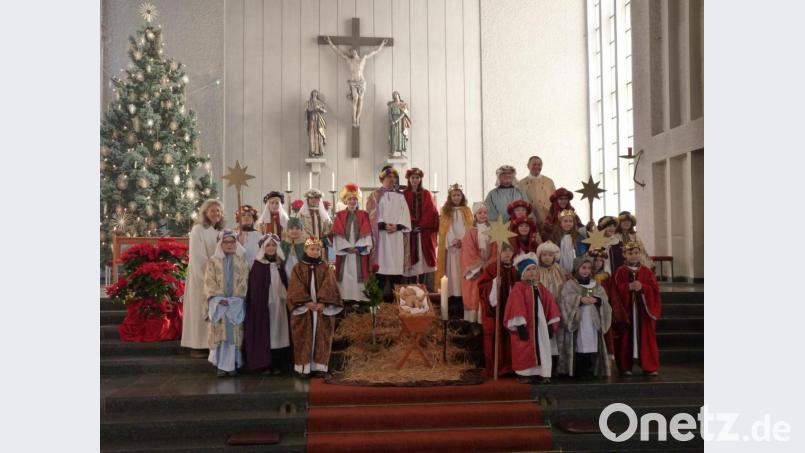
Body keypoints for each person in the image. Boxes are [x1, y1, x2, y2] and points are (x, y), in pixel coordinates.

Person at [287, 237, 344, 377]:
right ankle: (303, 368)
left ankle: (320, 367)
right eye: (312, 249)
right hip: (305, 309)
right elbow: (295, 287)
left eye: (318, 249)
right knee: (303, 337)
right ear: (306, 250)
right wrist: (306, 302)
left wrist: (323, 303)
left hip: (320, 309)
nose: (315, 252)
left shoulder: (325, 267)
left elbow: (330, 285)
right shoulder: (298, 267)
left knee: (322, 337)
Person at [504, 253, 562, 384]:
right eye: (528, 270)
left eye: (534, 269)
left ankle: (542, 372)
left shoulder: (540, 286)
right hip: (526, 326)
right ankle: (524, 373)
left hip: (540, 326)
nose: (532, 272)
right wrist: (520, 326)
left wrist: (551, 324)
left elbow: (550, 304)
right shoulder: (519, 288)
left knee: (542, 346)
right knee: (524, 348)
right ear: (523, 273)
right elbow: (516, 306)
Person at [182, 199, 224, 358]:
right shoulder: (198, 229)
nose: (216, 213)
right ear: (205, 213)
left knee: (212, 311)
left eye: (219, 211)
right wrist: (210, 276)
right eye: (213, 210)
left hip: (216, 276)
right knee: (200, 311)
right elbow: (198, 256)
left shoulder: (218, 231)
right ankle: (197, 346)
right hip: (201, 278)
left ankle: (211, 344)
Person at [243, 234, 290, 375]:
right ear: (263, 248)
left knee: (279, 333)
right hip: (264, 307)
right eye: (268, 245)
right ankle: (265, 363)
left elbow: (284, 283)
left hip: (280, 306)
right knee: (267, 333)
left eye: (273, 245)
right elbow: (255, 290)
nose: (271, 248)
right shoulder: (258, 266)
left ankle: (278, 363)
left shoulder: (280, 264)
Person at [612, 241, 662, 376]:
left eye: (636, 253)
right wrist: (627, 287)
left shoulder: (646, 271)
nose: (633, 256)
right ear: (624, 255)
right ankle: (625, 366)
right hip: (626, 311)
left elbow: (655, 289)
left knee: (646, 337)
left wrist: (643, 288)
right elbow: (615, 290)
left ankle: (649, 366)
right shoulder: (620, 271)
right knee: (625, 338)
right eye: (630, 253)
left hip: (643, 311)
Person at [204, 229, 249, 377]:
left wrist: (235, 298)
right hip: (220, 303)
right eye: (226, 242)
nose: (229, 245)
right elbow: (209, 281)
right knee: (221, 335)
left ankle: (233, 364)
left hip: (235, 303)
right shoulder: (213, 261)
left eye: (232, 242)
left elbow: (244, 279)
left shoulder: (242, 260)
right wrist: (219, 298)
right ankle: (221, 366)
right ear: (221, 244)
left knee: (234, 335)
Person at [558, 255, 612, 379]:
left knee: (592, 344)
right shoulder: (570, 285)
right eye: (583, 267)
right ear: (577, 269)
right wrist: (579, 300)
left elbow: (605, 300)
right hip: (578, 322)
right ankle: (579, 370)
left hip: (593, 322)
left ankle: (591, 369)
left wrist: (597, 300)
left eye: (588, 268)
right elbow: (564, 300)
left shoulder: (596, 285)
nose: (586, 270)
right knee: (579, 344)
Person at [366, 166, 412, 297]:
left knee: (396, 267)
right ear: (382, 178)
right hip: (381, 236)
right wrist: (382, 225)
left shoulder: (400, 196)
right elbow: (370, 213)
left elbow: (405, 214)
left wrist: (397, 226)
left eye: (394, 177)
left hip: (396, 236)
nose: (392, 179)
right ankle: (378, 301)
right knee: (381, 266)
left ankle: (396, 299)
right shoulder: (375, 195)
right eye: (389, 177)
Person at [477, 243, 518, 378]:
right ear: (499, 253)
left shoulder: (514, 270)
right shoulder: (492, 268)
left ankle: (510, 366)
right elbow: (482, 287)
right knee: (496, 338)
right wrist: (494, 284)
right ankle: (497, 367)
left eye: (510, 251)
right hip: (495, 313)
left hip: (510, 311)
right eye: (504, 251)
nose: (507, 254)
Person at [332, 183, 373, 302]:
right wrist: (346, 248)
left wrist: (359, 248)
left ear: (358, 200)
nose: (352, 201)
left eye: (354, 199)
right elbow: (336, 234)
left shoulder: (364, 215)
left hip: (358, 252)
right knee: (345, 275)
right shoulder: (339, 215)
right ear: (345, 200)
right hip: (345, 253)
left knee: (359, 274)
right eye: (349, 199)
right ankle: (345, 298)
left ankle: (360, 300)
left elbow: (367, 232)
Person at [436, 183, 474, 304]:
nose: (456, 197)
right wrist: (453, 241)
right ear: (450, 197)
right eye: (454, 195)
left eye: (458, 195)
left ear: (462, 196)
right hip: (452, 248)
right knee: (452, 273)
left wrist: (462, 241)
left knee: (461, 272)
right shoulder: (446, 211)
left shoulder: (467, 211)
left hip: (463, 248)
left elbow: (469, 228)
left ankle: (463, 296)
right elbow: (444, 230)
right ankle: (452, 297)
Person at [402, 168, 439, 287]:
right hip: (410, 233)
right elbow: (402, 212)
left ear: (420, 179)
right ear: (409, 179)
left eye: (417, 178)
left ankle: (422, 288)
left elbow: (431, 212)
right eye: (412, 178)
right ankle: (411, 289)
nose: (415, 180)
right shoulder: (404, 194)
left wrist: (421, 225)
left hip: (424, 234)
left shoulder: (426, 194)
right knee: (411, 262)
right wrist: (411, 225)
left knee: (423, 262)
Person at [460, 202, 496, 322]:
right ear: (475, 215)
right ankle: (472, 323)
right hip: (475, 271)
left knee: (486, 294)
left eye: (485, 212)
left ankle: (484, 323)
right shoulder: (471, 232)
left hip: (489, 269)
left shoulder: (493, 230)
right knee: (473, 294)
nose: (483, 215)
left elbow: (496, 249)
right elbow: (468, 250)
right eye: (480, 213)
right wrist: (479, 266)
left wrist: (489, 264)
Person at [534, 241, 566, 374]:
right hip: (543, 309)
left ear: (555, 256)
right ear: (540, 256)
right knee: (545, 337)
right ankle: (545, 366)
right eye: (544, 255)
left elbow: (564, 287)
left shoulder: (558, 269)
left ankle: (558, 366)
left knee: (558, 337)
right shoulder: (536, 271)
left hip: (558, 308)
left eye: (550, 255)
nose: (547, 257)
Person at [516, 156, 556, 223]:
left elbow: (555, 201)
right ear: (528, 166)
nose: (537, 166)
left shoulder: (549, 181)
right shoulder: (520, 184)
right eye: (534, 164)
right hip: (529, 220)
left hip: (548, 218)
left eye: (539, 165)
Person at [551, 209, 589, 276]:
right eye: (565, 221)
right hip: (558, 271)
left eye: (570, 221)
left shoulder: (579, 238)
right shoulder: (555, 237)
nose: (568, 224)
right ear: (560, 222)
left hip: (574, 271)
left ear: (573, 223)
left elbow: (582, 254)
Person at [297, 189, 332, 257]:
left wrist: (324, 238)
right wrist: (311, 241)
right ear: (307, 200)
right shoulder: (302, 214)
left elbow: (328, 228)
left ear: (319, 200)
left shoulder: (323, 213)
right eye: (311, 198)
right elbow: (301, 228)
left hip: (321, 245)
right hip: (307, 244)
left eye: (316, 198)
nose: (314, 200)